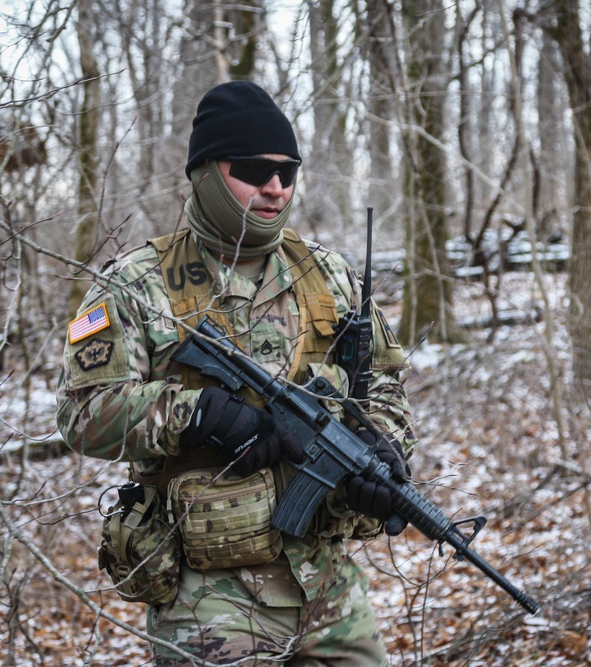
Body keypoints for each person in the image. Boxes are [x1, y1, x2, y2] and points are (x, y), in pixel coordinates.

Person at [57, 80, 416, 666]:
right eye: (253, 168)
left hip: (328, 588)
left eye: (288, 171)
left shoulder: (330, 275)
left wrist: (383, 448)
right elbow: (81, 414)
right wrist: (193, 415)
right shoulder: (136, 284)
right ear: (204, 172)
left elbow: (384, 386)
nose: (275, 187)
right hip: (207, 599)